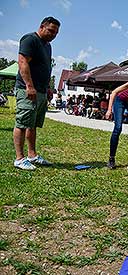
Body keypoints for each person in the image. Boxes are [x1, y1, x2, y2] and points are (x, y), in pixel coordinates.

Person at [13, 16, 60, 170]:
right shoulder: (30, 39)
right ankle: (19, 158)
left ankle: (32, 155)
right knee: (22, 123)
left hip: (40, 91)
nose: (53, 35)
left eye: (56, 33)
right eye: (51, 31)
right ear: (42, 26)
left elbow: (45, 67)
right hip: (28, 89)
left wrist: (47, 88)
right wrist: (29, 86)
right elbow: (23, 62)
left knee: (32, 124)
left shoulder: (47, 46)